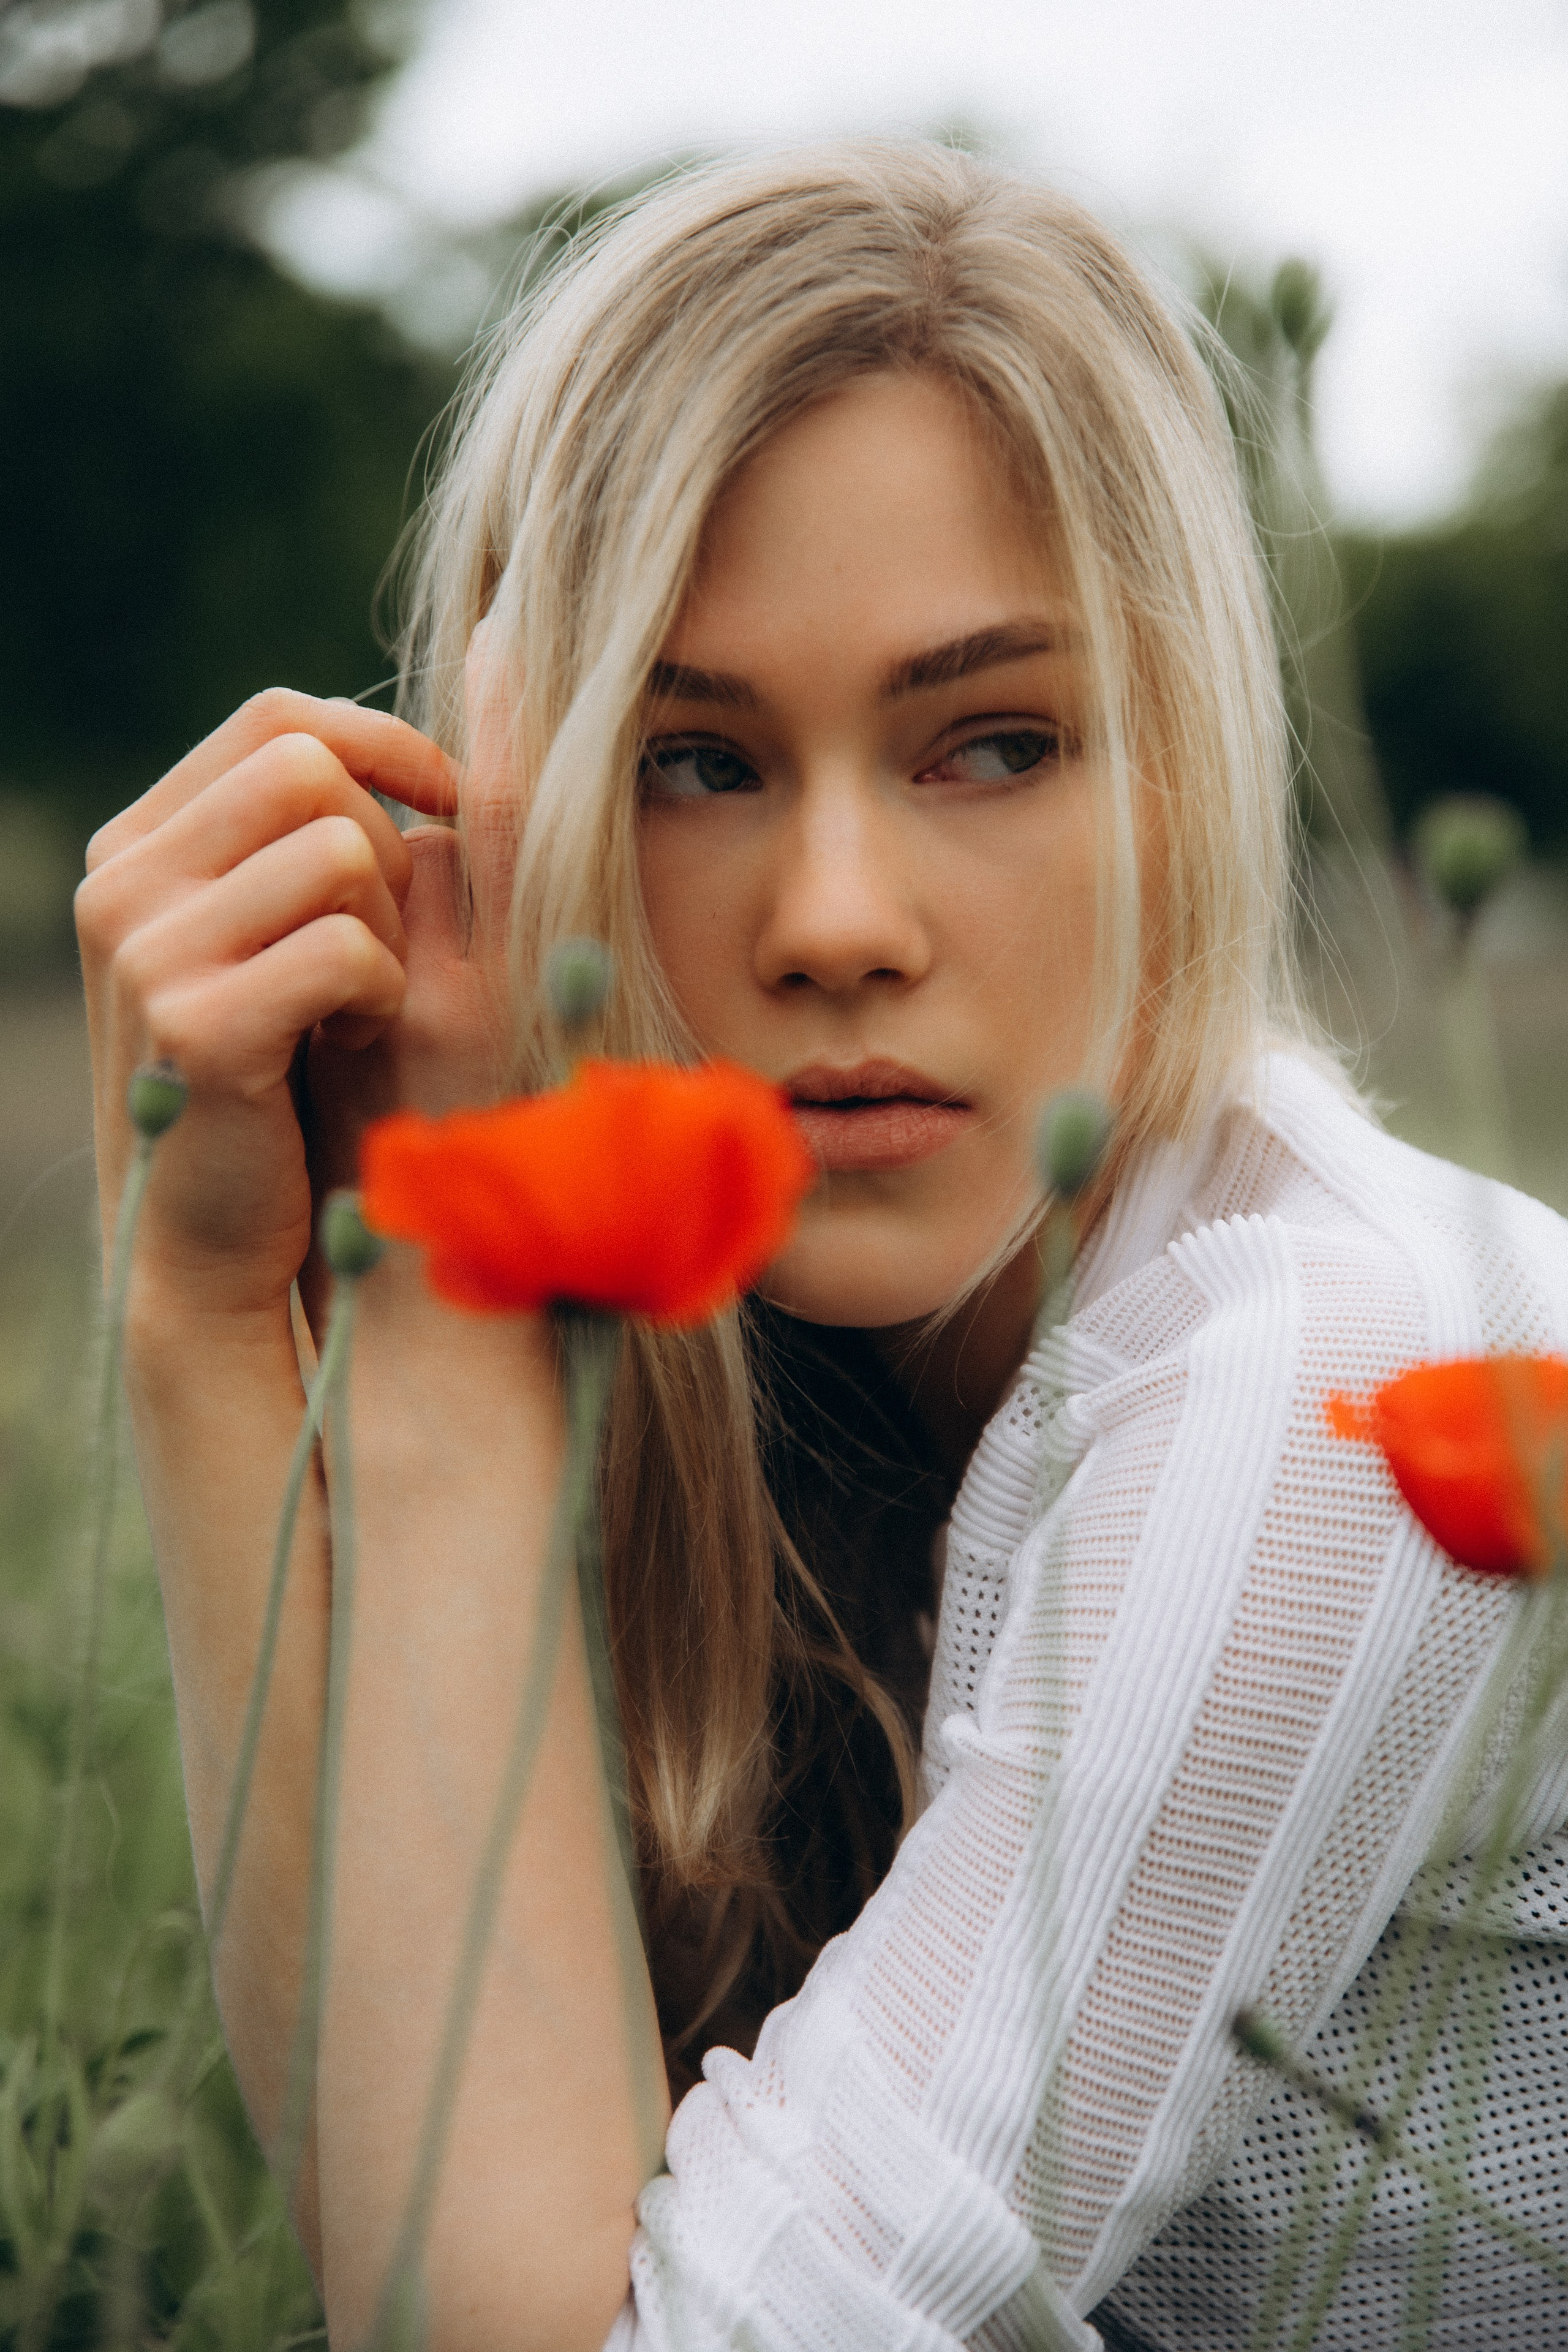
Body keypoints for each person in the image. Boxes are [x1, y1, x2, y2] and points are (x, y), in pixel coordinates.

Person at [75, 142, 1568, 2352]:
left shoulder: (1328, 1392)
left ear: (1182, 768)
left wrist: (450, 1272)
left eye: (994, 742)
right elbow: (403, 2228)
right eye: (690, 761)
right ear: (524, 822)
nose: (840, 923)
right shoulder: (779, 1379)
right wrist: (209, 1311)